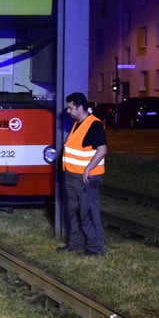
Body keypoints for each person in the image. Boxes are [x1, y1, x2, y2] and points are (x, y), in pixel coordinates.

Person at [60, 91, 108, 255]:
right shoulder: (78, 123)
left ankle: (95, 247)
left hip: (86, 178)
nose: (68, 111)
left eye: (70, 108)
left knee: (87, 212)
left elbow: (102, 150)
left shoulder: (94, 124)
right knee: (74, 211)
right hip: (72, 176)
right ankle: (76, 244)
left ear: (80, 108)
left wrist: (88, 169)